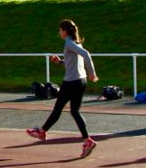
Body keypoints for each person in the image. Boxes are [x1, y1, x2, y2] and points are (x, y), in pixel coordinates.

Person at [26, 19, 98, 158]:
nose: (59, 32)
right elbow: (73, 62)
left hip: (71, 82)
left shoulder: (69, 43)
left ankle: (42, 131)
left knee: (58, 108)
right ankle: (87, 141)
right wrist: (59, 62)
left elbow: (86, 55)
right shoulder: (76, 43)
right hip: (80, 81)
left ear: (65, 31)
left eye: (59, 30)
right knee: (75, 111)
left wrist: (92, 72)